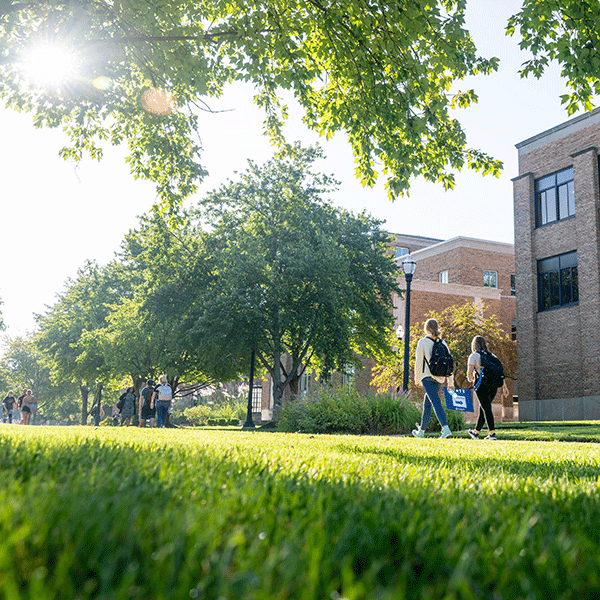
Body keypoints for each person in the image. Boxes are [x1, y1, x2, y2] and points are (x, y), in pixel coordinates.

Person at [412, 318, 454, 439]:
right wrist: (450, 382)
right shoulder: (443, 343)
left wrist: (417, 379)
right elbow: (449, 363)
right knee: (427, 404)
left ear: (426, 329)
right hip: (440, 378)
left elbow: (418, 362)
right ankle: (421, 432)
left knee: (435, 402)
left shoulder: (423, 342)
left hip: (427, 377)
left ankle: (445, 429)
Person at [466, 335, 509, 441]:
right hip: (494, 385)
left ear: (474, 345)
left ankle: (492, 434)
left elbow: (469, 373)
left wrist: (470, 379)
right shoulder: (493, 356)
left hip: (482, 385)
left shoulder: (474, 356)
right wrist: (505, 387)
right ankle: (476, 432)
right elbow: (500, 372)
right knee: (484, 408)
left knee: (486, 408)